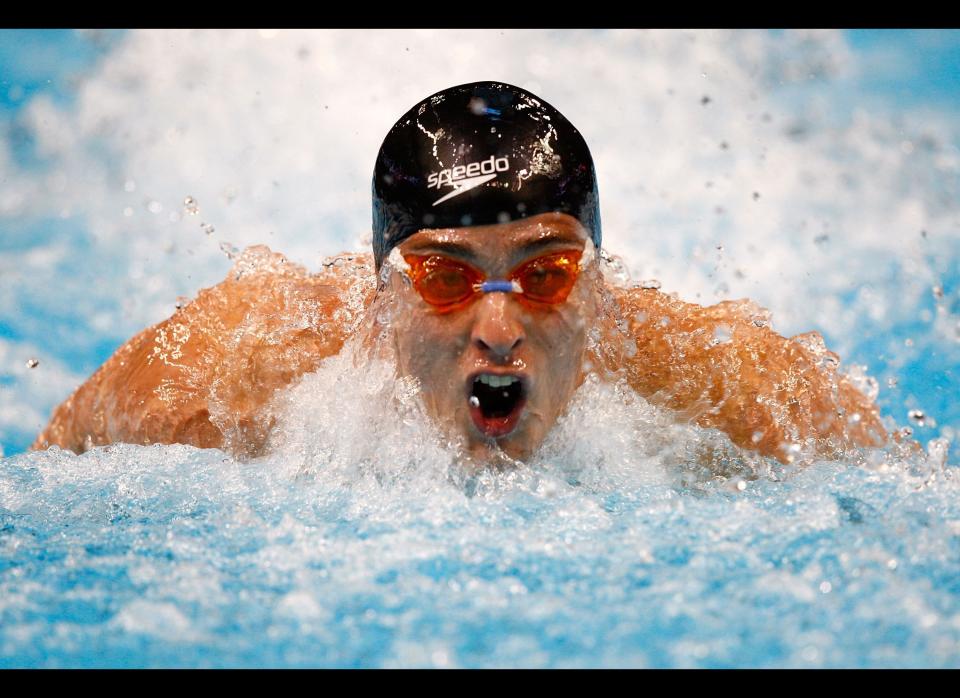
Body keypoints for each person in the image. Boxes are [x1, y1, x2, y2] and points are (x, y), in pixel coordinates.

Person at [31, 81, 888, 466]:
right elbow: (39, 477)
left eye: (545, 274)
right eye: (445, 279)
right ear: (383, 296)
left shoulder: (721, 383)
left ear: (598, 285)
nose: (500, 329)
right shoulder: (232, 373)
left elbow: (913, 500)